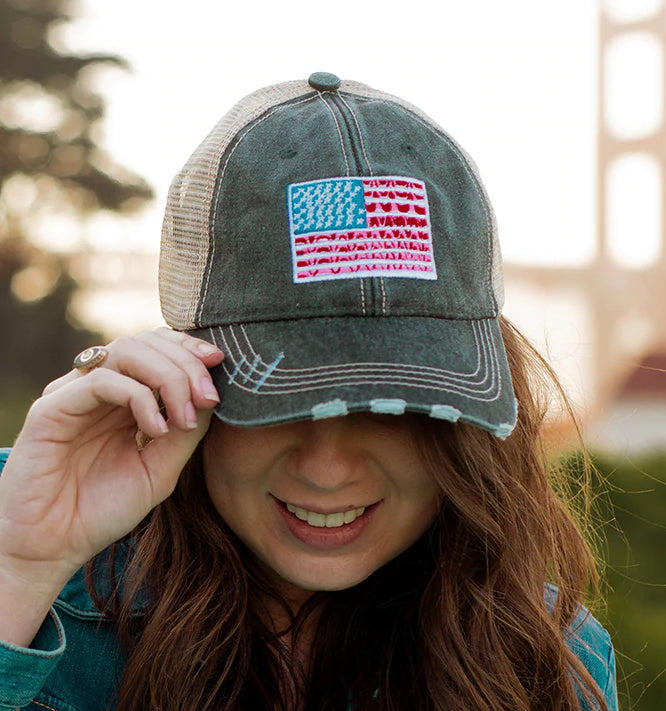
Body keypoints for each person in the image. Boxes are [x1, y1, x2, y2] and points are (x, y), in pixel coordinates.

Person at [0, 72, 618, 711]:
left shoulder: (550, 658)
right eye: (278, 401)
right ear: (181, 370)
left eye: (390, 407)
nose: (327, 469)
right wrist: (19, 571)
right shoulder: (28, 537)